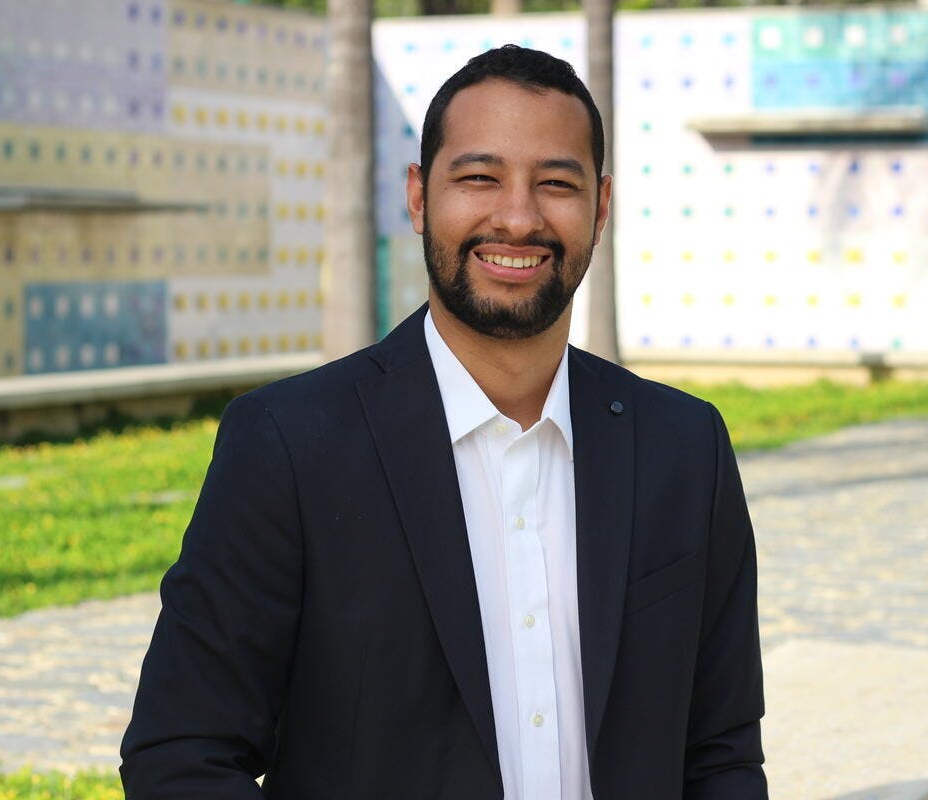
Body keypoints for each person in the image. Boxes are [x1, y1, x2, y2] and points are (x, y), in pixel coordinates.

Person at [120, 45, 766, 799]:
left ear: (602, 207)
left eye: (556, 183)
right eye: (480, 177)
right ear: (420, 197)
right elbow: (183, 754)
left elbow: (720, 753)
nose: (518, 217)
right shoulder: (290, 445)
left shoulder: (685, 448)